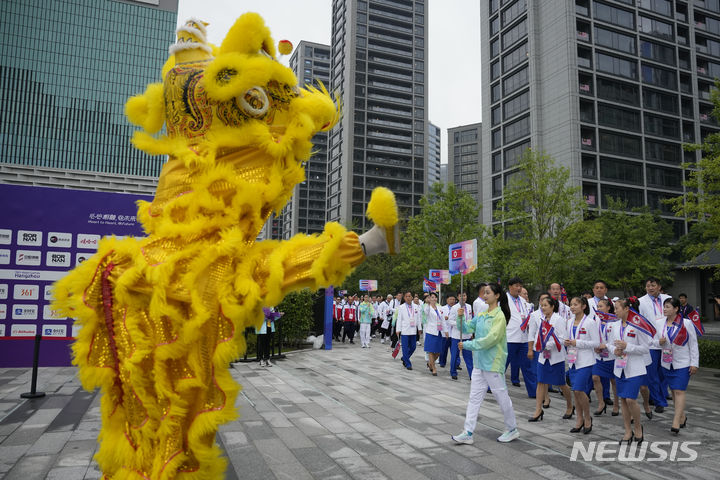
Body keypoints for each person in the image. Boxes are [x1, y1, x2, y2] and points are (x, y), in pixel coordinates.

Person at [451, 283, 520, 444]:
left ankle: (512, 428)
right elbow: (467, 328)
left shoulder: (499, 316)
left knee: (501, 397)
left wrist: (469, 345)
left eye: (488, 292)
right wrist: (460, 317)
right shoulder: (482, 314)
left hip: (493, 363)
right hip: (479, 363)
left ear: (497, 296)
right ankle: (468, 432)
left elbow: (491, 340)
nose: (485, 295)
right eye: (484, 292)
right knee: (474, 398)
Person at [654, 298, 699, 435]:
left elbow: (693, 344)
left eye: (668, 307)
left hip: (683, 363)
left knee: (679, 390)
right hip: (667, 362)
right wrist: (658, 343)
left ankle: (675, 420)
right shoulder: (659, 323)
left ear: (676, 309)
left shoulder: (686, 323)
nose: (665, 309)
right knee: (673, 390)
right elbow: (652, 341)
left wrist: (694, 363)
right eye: (664, 306)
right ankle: (682, 416)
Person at [611, 297, 651, 446]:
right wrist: (613, 350)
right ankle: (627, 430)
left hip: (634, 368)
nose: (615, 311)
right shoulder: (614, 326)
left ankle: (638, 427)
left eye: (617, 308)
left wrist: (627, 346)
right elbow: (609, 344)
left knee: (630, 399)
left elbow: (645, 348)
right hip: (619, 368)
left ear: (627, 308)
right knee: (622, 399)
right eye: (614, 308)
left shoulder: (637, 326)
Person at [528, 296, 571, 421]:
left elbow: (563, 338)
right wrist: (537, 345)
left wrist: (548, 345)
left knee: (561, 383)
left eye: (546, 305)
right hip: (543, 356)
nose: (543, 307)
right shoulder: (542, 319)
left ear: (552, 307)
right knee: (541, 382)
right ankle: (538, 409)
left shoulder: (558, 320)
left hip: (556, 356)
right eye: (542, 305)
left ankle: (569, 405)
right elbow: (537, 335)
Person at [565, 297, 599, 434]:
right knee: (575, 391)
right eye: (571, 304)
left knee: (579, 390)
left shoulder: (590, 322)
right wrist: (566, 342)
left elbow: (596, 343)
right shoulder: (568, 322)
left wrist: (577, 343)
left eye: (576, 304)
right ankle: (579, 419)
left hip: (585, 361)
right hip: (572, 361)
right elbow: (565, 338)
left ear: (583, 306)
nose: (572, 307)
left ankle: (587, 417)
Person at [639, 277, 671, 413]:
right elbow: (640, 323)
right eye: (648, 286)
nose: (650, 288)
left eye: (653, 285)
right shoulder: (641, 302)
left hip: (667, 342)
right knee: (652, 374)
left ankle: (659, 395)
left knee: (664, 372)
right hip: (650, 343)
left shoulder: (668, 299)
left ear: (659, 286)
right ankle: (659, 401)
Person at [505, 278, 536, 397]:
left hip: (523, 338)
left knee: (527, 366)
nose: (519, 288)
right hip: (509, 337)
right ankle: (491, 386)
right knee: (503, 364)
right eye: (516, 286)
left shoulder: (523, 301)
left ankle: (533, 392)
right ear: (510, 286)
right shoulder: (503, 300)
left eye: (520, 286)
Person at [591, 298, 620, 416]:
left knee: (614, 381)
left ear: (609, 308)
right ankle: (601, 403)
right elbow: (592, 337)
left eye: (601, 306)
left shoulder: (615, 321)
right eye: (598, 307)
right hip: (599, 355)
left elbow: (616, 340)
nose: (598, 309)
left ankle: (616, 405)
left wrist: (605, 346)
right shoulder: (595, 320)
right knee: (595, 378)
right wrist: (596, 346)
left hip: (612, 356)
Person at [448, 292, 473, 380]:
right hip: (457, 336)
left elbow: (470, 319)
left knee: (468, 356)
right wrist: (459, 324)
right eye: (461, 296)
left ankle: (472, 375)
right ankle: (453, 372)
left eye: (465, 295)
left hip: (466, 335)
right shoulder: (454, 308)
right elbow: (450, 321)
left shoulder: (469, 306)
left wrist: (469, 329)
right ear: (458, 297)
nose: (463, 297)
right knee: (455, 355)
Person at [395, 291, 421, 370]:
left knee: (413, 347)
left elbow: (418, 318)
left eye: (410, 296)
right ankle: (408, 363)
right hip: (405, 330)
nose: (408, 298)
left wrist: (419, 328)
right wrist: (398, 329)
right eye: (407, 296)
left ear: (412, 297)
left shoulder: (416, 306)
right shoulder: (401, 307)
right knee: (405, 347)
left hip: (413, 330)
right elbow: (399, 319)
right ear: (404, 298)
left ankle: (405, 358)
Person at [421, 292, 445, 376]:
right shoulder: (427, 308)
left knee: (438, 352)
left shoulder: (439, 308)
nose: (434, 299)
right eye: (432, 297)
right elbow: (426, 312)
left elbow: (443, 319)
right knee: (431, 351)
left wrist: (445, 331)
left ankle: (430, 363)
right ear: (429, 299)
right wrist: (427, 303)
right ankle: (434, 368)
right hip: (431, 331)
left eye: (435, 297)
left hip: (439, 331)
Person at [438, 294, 456, 368]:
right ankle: (442, 362)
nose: (452, 301)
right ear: (447, 300)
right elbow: (439, 319)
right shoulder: (442, 308)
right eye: (450, 299)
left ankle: (456, 363)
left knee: (455, 350)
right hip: (445, 332)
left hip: (454, 332)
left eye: (453, 300)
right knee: (444, 349)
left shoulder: (457, 308)